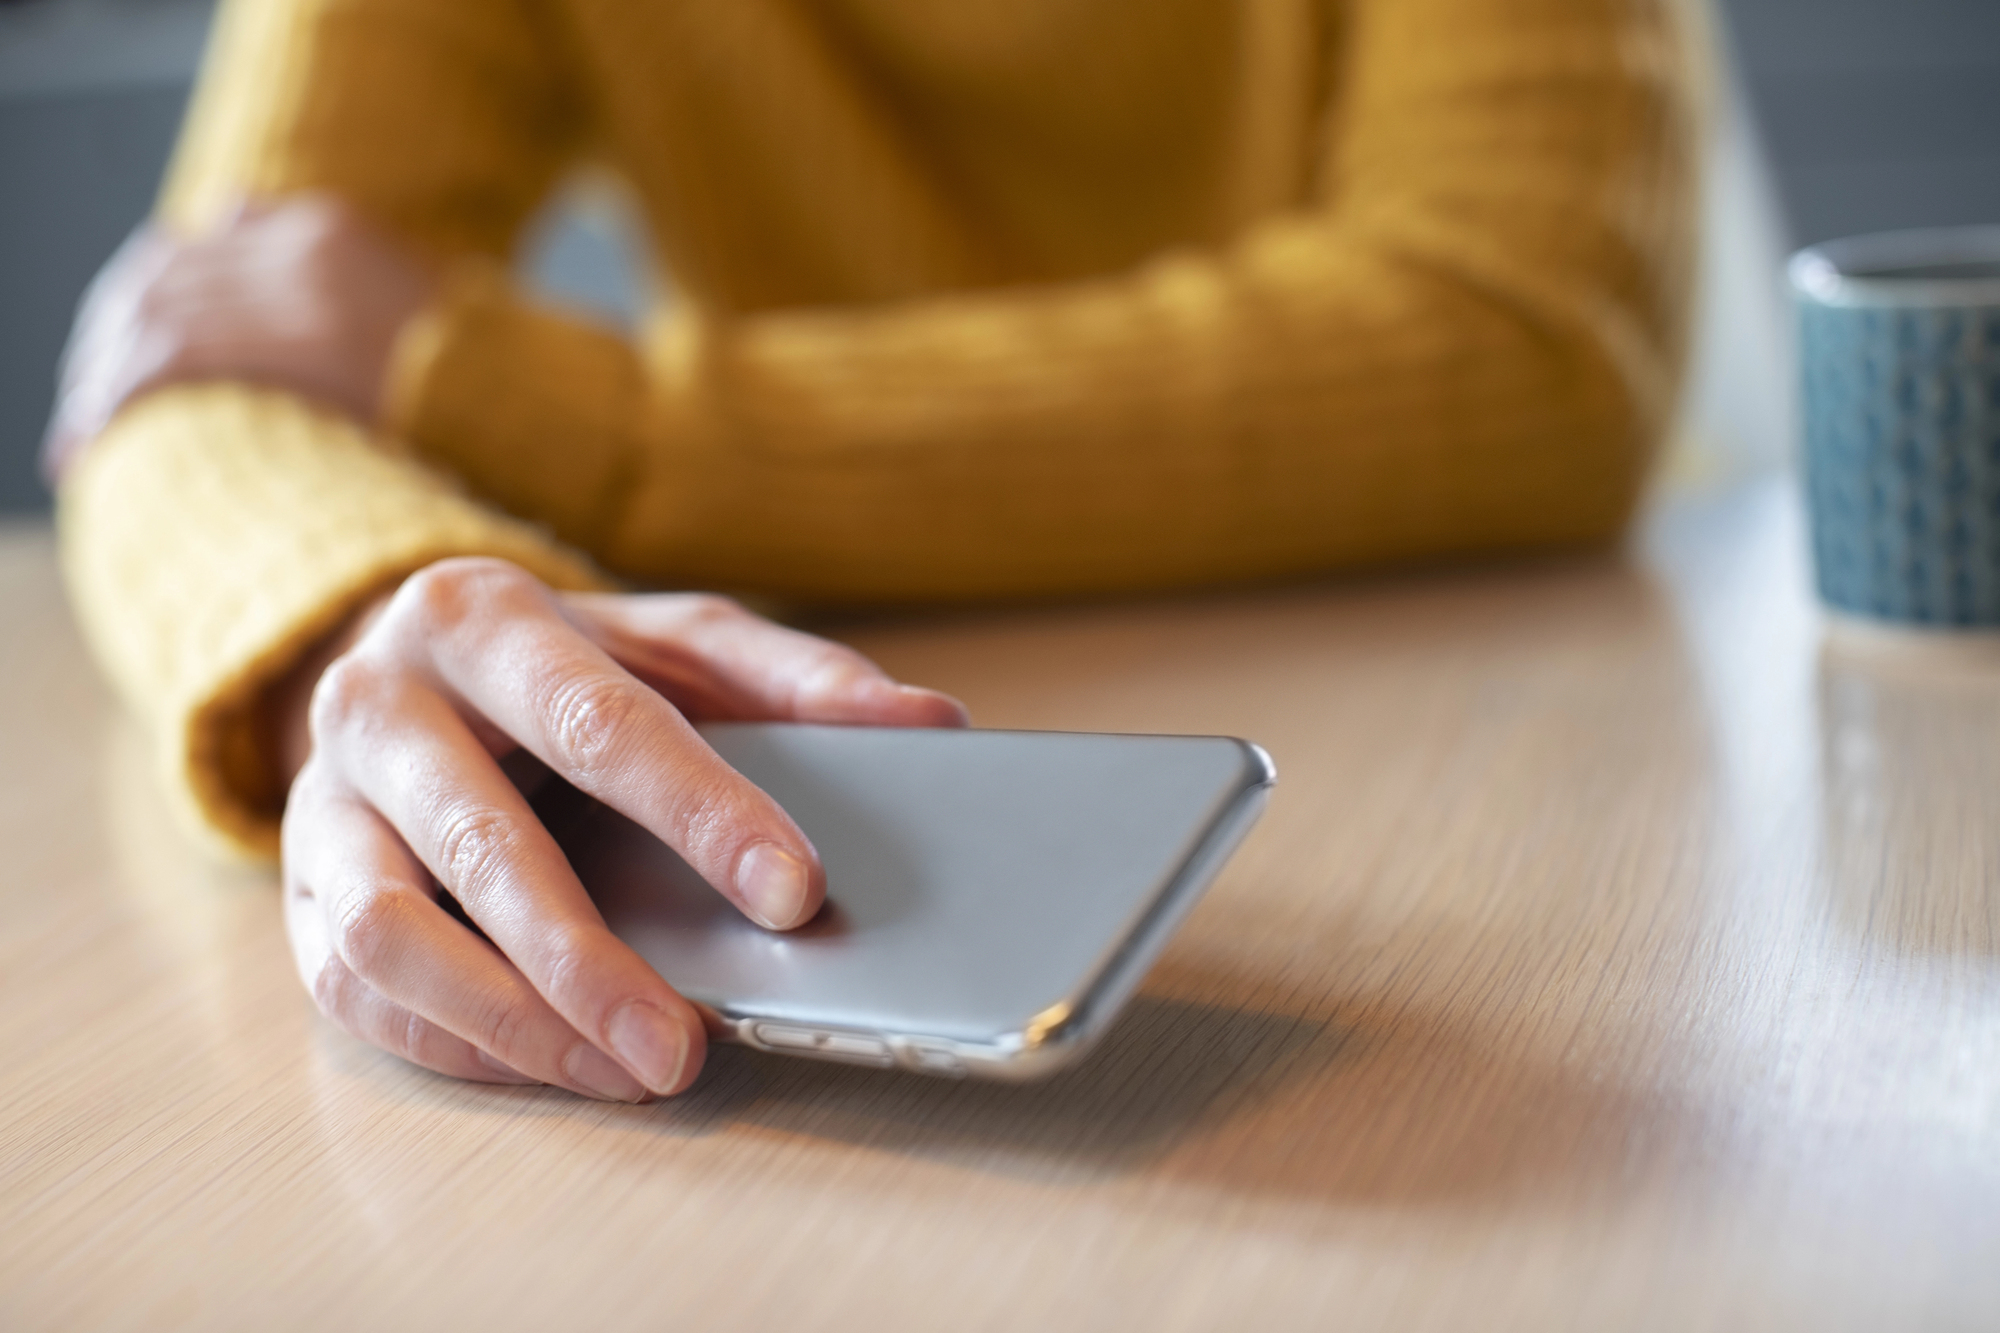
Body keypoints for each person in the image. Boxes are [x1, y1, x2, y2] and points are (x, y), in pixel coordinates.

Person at [48, 0, 1699, 1101]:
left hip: (1535, 770)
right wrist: (373, 626)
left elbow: (1525, 340)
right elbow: (203, 354)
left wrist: (561, 410)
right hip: (809, 752)